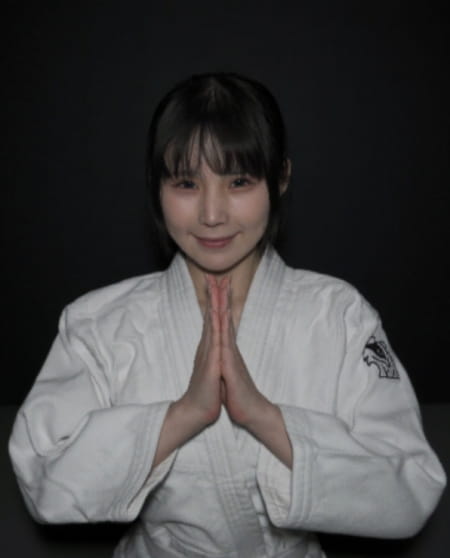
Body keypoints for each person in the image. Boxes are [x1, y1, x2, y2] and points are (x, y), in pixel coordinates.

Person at [9, 73, 446, 558]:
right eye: (186, 183)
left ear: (281, 178)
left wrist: (262, 416)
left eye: (239, 181)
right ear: (156, 186)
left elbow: (410, 491)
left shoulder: (338, 316)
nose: (212, 214)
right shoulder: (98, 324)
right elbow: (44, 482)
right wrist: (182, 416)